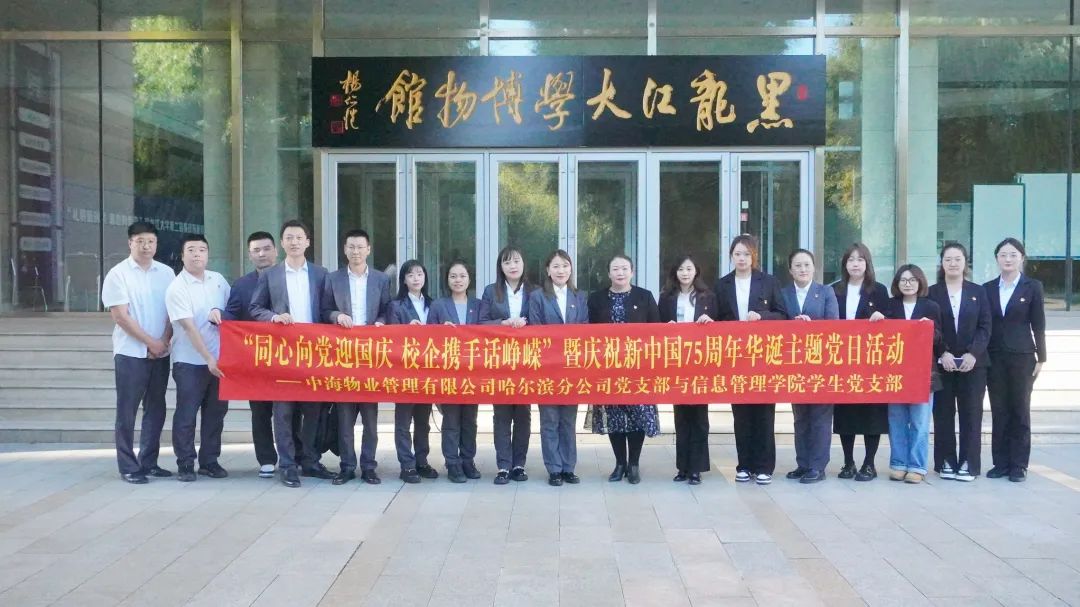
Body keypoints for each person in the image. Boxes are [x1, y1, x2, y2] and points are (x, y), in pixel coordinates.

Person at [249, 219, 334, 488]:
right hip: (283, 354)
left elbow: (327, 310)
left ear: (307, 242)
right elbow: (255, 308)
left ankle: (309, 460)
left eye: (299, 237)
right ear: (282, 243)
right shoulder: (270, 275)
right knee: (283, 411)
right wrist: (273, 317)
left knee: (314, 410)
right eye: (289, 237)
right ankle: (287, 465)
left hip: (314, 353)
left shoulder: (321, 274)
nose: (294, 242)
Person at [101, 221, 175, 484]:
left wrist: (163, 340)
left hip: (161, 352)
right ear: (130, 243)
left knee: (156, 408)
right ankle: (128, 466)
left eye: (151, 241)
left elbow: (173, 311)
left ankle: (149, 461)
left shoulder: (167, 273)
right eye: (140, 241)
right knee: (127, 411)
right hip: (130, 353)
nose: (146, 246)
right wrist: (149, 343)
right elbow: (121, 316)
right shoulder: (118, 274)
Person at [223, 231, 300, 479]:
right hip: (256, 358)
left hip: (290, 357)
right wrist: (218, 315)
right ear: (249, 255)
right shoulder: (241, 285)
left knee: (291, 408)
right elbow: (232, 315)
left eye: (266, 249)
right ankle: (266, 459)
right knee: (260, 410)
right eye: (256, 250)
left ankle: (295, 455)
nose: (262, 254)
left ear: (276, 251)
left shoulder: (289, 276)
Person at [713, 235, 788, 485]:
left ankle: (764, 466)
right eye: (737, 254)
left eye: (746, 254)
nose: (742, 258)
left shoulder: (768, 282)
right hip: (736, 358)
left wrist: (762, 316)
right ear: (731, 257)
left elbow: (783, 315)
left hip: (763, 357)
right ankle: (744, 465)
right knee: (741, 414)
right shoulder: (722, 285)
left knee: (764, 413)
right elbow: (717, 319)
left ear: (754, 256)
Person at [320, 229, 391, 486]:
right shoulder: (333, 279)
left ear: (368, 249)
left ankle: (369, 466)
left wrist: (382, 322)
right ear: (345, 249)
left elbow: (387, 309)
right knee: (345, 418)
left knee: (371, 419)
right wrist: (336, 316)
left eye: (360, 247)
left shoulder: (381, 279)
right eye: (351, 246)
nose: (356, 251)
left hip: (371, 358)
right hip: (344, 357)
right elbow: (324, 310)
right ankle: (347, 466)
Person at [588, 254, 660, 485]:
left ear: (632, 272)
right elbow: (587, 333)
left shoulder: (644, 296)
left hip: (638, 367)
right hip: (608, 367)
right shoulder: (596, 298)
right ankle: (620, 463)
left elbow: (656, 330)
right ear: (608, 273)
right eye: (615, 269)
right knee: (615, 417)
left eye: (624, 268)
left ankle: (634, 464)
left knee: (638, 415)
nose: (620, 273)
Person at [164, 234, 231, 482]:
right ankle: (185, 462)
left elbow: (232, 310)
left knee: (216, 414)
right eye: (191, 250)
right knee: (187, 413)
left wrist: (220, 311)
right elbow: (189, 328)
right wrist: (208, 358)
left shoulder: (218, 280)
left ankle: (209, 461)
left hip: (220, 361)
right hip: (190, 362)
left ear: (208, 254)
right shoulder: (177, 287)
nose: (197, 254)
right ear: (182, 256)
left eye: (202, 249)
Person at [872, 264, 943, 484]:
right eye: (903, 280)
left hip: (922, 374)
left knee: (920, 422)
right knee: (897, 420)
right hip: (895, 373)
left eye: (912, 280)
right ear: (897, 283)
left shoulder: (931, 306)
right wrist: (876, 319)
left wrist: (929, 329)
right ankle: (898, 463)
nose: (908, 284)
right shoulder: (890, 305)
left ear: (920, 282)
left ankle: (917, 466)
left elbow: (940, 340)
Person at [983, 237, 1046, 483]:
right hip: (995, 356)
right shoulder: (988, 288)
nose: (1008, 259)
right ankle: (1000, 463)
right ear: (997, 259)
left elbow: (1038, 324)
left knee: (1020, 409)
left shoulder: (1033, 287)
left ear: (1021, 258)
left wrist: (1042, 357)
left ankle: (1019, 465)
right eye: (1003, 255)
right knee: (999, 410)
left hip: (1022, 356)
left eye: (1013, 255)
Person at [928, 242, 991, 482]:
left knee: (971, 414)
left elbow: (985, 326)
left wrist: (973, 354)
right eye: (948, 259)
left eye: (957, 259)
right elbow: (930, 327)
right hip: (942, 364)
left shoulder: (978, 292)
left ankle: (968, 463)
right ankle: (945, 460)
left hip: (973, 365)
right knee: (943, 414)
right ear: (941, 263)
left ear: (965, 263)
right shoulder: (932, 292)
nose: (953, 263)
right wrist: (942, 352)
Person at [529, 249, 589, 487]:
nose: (561, 270)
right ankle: (554, 468)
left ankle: (568, 467)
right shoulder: (537, 297)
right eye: (555, 266)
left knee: (568, 421)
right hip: (547, 368)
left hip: (572, 368)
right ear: (548, 270)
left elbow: (584, 328)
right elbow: (535, 330)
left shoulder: (580, 296)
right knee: (549, 420)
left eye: (565, 265)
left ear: (571, 268)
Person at [832, 242, 891, 481]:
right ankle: (848, 462)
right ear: (844, 264)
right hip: (842, 361)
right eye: (851, 259)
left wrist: (882, 318)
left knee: (871, 413)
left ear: (867, 263)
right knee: (845, 413)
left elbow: (890, 324)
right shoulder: (834, 290)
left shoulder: (879, 290)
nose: (855, 264)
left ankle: (869, 463)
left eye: (860, 259)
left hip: (870, 362)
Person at [781, 249, 839, 484]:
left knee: (820, 417)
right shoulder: (783, 293)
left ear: (814, 268)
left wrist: (811, 325)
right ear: (790, 270)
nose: (802, 269)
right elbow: (777, 323)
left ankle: (817, 465)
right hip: (794, 364)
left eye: (806, 265)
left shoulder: (825, 292)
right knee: (800, 416)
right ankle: (803, 463)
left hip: (821, 364)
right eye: (797, 265)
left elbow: (834, 325)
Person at [658, 254, 716, 485]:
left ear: (696, 271)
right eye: (681, 269)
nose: (685, 273)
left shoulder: (708, 296)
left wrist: (709, 321)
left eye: (689, 268)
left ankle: (696, 468)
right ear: (675, 272)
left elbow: (721, 326)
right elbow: (656, 326)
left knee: (699, 418)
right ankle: (683, 467)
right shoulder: (666, 297)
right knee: (681, 417)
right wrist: (666, 327)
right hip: (677, 364)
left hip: (701, 364)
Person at [478, 246, 533, 485]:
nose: (512, 266)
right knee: (501, 414)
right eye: (507, 262)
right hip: (499, 361)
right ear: (500, 267)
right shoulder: (491, 291)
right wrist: (503, 323)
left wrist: (526, 324)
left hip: (526, 361)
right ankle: (503, 465)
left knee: (523, 414)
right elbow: (481, 322)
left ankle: (519, 464)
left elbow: (542, 323)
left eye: (516, 261)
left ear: (523, 264)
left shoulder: (534, 291)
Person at [428, 260, 482, 483]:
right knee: (451, 420)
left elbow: (488, 330)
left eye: (462, 276)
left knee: (470, 420)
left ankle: (468, 460)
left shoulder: (479, 305)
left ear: (469, 279)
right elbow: (427, 339)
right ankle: (452, 463)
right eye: (453, 276)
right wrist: (440, 332)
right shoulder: (439, 305)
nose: (458, 280)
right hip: (448, 373)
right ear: (447, 280)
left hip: (472, 372)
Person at [388, 260, 438, 483]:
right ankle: (406, 465)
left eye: (419, 274)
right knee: (403, 421)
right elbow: (391, 338)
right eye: (410, 275)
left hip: (427, 371)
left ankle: (421, 461)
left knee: (423, 421)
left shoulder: (433, 304)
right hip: (404, 371)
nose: (416, 278)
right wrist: (407, 330)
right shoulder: (396, 305)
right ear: (404, 280)